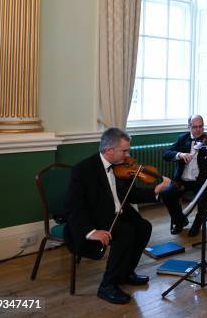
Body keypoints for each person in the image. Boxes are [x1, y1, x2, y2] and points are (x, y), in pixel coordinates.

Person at [64, 128, 172, 305]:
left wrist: (156, 190)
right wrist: (91, 232)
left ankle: (126, 272)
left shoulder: (121, 166)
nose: (127, 155)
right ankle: (107, 285)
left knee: (144, 227)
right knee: (125, 233)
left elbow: (132, 195)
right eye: (124, 151)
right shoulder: (83, 170)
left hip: (118, 211)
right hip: (96, 216)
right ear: (108, 150)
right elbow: (73, 207)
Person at [162, 115, 207, 237]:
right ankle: (180, 221)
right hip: (182, 181)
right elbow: (166, 153)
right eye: (195, 127)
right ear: (189, 127)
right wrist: (180, 154)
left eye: (201, 127)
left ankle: (198, 222)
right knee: (167, 193)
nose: (198, 130)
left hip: (200, 181)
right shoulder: (182, 139)